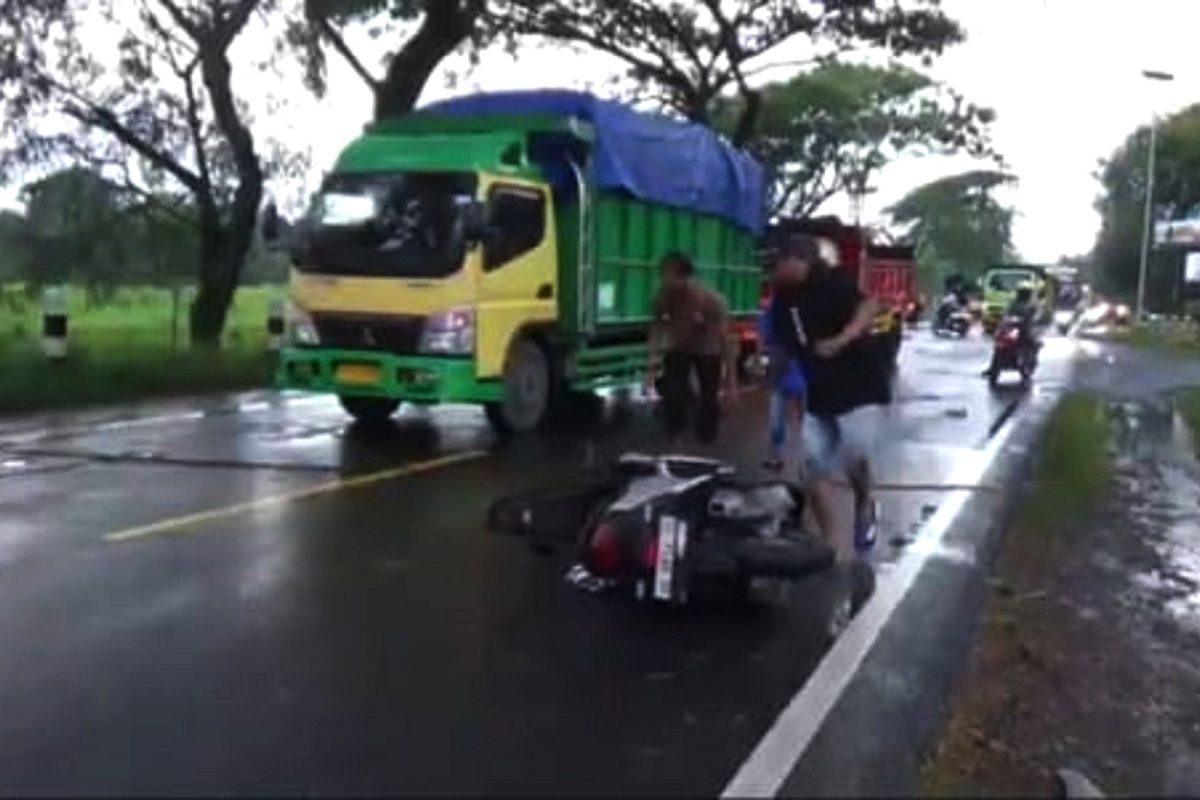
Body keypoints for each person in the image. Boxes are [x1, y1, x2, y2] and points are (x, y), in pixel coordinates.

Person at [766, 235, 891, 560]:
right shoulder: (782, 301)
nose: (773, 269)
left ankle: (865, 502)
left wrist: (842, 338)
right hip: (820, 394)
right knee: (812, 469)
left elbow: (869, 305)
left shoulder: (833, 282)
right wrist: (772, 375)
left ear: (798, 261)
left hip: (860, 388)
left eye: (778, 262)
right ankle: (830, 547)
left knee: (854, 455)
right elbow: (782, 346)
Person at [646, 251, 739, 447]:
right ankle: (675, 430)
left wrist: (731, 381)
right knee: (673, 389)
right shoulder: (664, 295)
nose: (662, 279)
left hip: (708, 349)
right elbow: (656, 325)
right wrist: (652, 362)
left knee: (709, 393)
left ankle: (707, 435)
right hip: (680, 346)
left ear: (683, 275)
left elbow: (725, 339)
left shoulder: (710, 300)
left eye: (666, 274)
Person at [759, 271, 808, 473]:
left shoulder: (775, 310)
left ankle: (778, 458)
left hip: (783, 369)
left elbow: (765, 335)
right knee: (806, 420)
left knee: (778, 419)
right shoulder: (807, 308)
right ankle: (807, 462)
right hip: (803, 369)